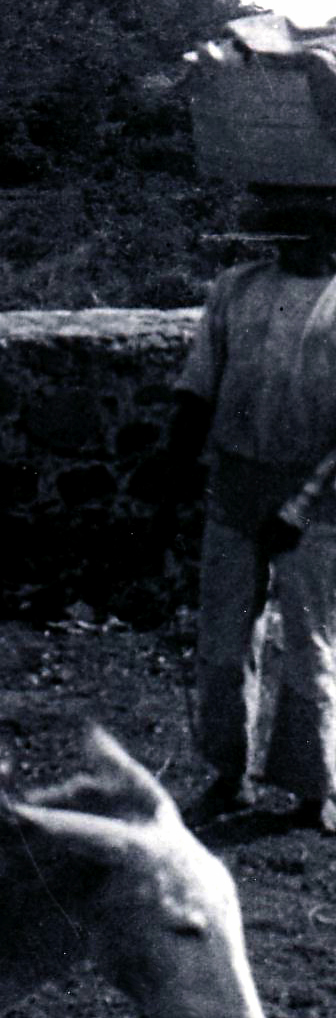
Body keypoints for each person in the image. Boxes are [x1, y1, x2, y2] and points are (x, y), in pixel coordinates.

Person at [168, 213, 336, 829]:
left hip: (317, 503)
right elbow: (198, 387)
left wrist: (300, 504)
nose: (304, 232)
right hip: (237, 489)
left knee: (309, 643)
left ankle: (314, 789)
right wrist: (174, 464)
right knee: (223, 638)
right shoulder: (237, 289)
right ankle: (227, 774)